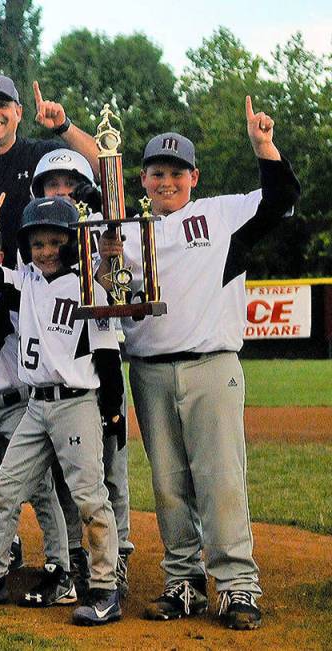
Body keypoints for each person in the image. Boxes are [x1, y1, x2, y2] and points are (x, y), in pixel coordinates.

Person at [96, 97, 300, 631]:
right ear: (142, 178)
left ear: (194, 177)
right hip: (149, 368)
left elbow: (281, 199)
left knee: (220, 479)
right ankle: (183, 583)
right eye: (157, 172)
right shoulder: (124, 232)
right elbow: (102, 290)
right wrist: (105, 258)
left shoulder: (222, 214)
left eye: (177, 172)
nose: (167, 181)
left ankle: (237, 584)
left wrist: (264, 146)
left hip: (211, 363)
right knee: (168, 483)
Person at [0, 197, 125, 626]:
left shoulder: (88, 287)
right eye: (37, 242)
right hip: (37, 405)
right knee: (5, 487)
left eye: (55, 242)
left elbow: (109, 355)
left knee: (89, 499)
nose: (44, 250)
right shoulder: (28, 282)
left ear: (72, 243)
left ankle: (104, 588)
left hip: (76, 401)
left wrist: (112, 411)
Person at [29, 148, 134, 599]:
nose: (62, 191)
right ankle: (74, 561)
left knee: (109, 470)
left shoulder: (104, 234)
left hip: (101, 370)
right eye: (53, 185)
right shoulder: (39, 247)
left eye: (70, 184)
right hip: (58, 375)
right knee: (63, 476)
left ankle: (118, 557)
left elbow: (130, 290)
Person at [0, 73, 99, 266]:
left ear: (19, 112)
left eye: (2, 104)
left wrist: (63, 126)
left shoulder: (45, 156)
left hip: (43, 281)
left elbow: (104, 170)